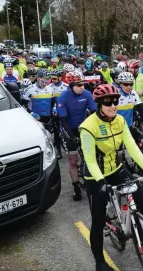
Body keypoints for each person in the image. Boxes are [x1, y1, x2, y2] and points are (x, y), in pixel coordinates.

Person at [79, 84, 143, 271]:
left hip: (116, 169)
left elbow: (131, 146)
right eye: (108, 102)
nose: (113, 106)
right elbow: (89, 160)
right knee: (97, 219)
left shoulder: (119, 120)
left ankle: (138, 231)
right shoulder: (88, 127)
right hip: (95, 176)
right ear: (99, 104)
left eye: (115, 102)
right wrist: (101, 183)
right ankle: (99, 262)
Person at [57, 71, 97, 201]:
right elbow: (63, 120)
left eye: (83, 84)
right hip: (69, 129)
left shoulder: (87, 94)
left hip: (83, 128)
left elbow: (94, 112)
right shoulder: (63, 97)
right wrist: (71, 137)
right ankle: (76, 188)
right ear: (71, 85)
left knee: (90, 155)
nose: (82, 87)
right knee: (73, 161)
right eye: (79, 85)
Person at [115, 72, 143, 138]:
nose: (129, 87)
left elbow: (142, 110)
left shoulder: (133, 93)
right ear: (120, 84)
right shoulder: (115, 95)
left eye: (131, 84)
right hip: (115, 128)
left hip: (128, 126)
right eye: (126, 84)